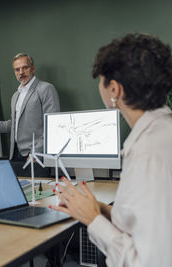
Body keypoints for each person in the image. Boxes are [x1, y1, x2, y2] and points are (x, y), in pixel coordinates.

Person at [50, 33, 172, 266]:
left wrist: (93, 219)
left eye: (101, 79)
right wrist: (103, 210)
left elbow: (150, 262)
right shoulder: (161, 133)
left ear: (114, 90)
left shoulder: (149, 152)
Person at [0, 53, 60, 174]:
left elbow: (53, 126)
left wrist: (37, 152)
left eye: (25, 68)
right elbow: (13, 125)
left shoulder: (45, 89)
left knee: (38, 192)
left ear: (33, 68)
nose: (21, 72)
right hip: (14, 156)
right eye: (17, 69)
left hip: (35, 156)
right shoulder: (16, 95)